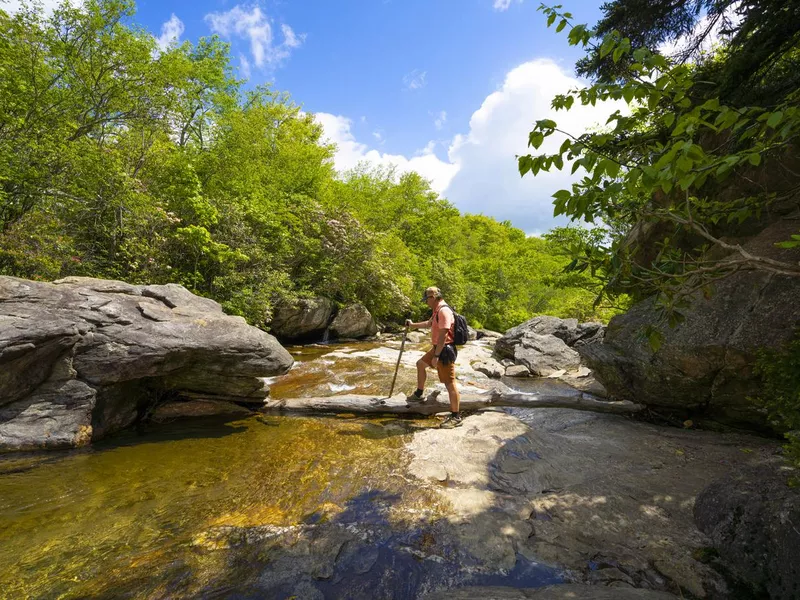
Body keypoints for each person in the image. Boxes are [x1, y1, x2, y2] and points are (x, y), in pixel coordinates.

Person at [404, 286, 462, 428]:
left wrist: (436, 356)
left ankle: (456, 416)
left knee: (450, 383)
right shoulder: (437, 310)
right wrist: (412, 325)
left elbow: (444, 334)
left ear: (433, 297)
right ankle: (419, 394)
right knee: (421, 364)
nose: (426, 302)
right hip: (438, 348)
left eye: (427, 299)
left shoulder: (444, 311)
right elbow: (429, 324)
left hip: (444, 351)